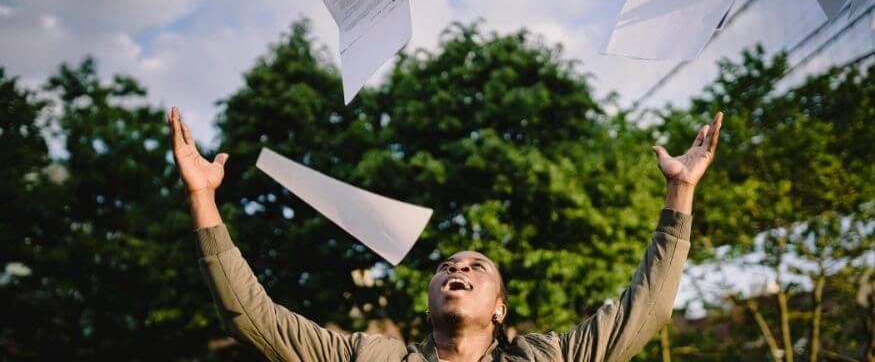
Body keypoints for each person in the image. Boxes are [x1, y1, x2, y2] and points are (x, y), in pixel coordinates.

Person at [168, 106, 723, 362]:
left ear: (500, 309)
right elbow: (252, 317)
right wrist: (202, 198)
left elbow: (643, 311)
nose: (456, 269)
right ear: (430, 297)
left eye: (475, 267)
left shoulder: (548, 358)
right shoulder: (370, 358)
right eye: (446, 267)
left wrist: (680, 194)